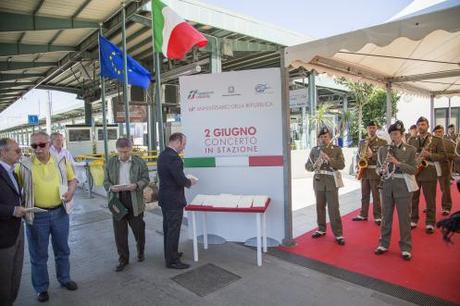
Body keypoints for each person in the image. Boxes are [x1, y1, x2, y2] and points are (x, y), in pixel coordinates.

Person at [16, 132, 78, 303]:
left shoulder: (61, 161)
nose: (38, 149)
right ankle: (41, 288)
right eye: (34, 146)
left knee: (62, 249)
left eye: (41, 145)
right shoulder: (24, 166)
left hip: (60, 213)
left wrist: (71, 191)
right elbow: (11, 186)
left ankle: (64, 279)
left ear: (49, 144)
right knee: (38, 254)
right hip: (36, 216)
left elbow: (73, 180)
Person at [103, 138, 150, 272]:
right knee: (120, 233)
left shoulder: (139, 162)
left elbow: (146, 178)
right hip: (117, 199)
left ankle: (140, 251)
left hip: (134, 198)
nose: (124, 155)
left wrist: (136, 185)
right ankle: (123, 259)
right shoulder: (110, 163)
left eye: (127, 151)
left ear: (131, 148)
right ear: (117, 150)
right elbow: (105, 181)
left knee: (139, 229)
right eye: (121, 152)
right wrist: (111, 188)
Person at [374, 121, 417, 261]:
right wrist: (381, 170)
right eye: (392, 134)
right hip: (386, 186)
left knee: (404, 218)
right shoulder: (382, 150)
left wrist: (398, 163)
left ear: (402, 134)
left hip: (403, 186)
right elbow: (377, 168)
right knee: (386, 216)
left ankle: (406, 248)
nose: (394, 137)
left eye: (396, 134)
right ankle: (383, 244)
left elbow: (413, 170)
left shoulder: (410, 149)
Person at [157, 133, 197, 269]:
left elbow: (170, 176)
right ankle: (172, 261)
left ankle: (170, 254)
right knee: (173, 229)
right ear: (178, 142)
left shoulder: (162, 155)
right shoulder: (174, 158)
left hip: (165, 198)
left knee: (168, 229)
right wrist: (189, 182)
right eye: (184, 144)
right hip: (174, 199)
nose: (184, 147)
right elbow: (179, 180)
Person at [305, 127, 346, 245]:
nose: (323, 139)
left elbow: (341, 165)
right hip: (318, 181)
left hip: (331, 181)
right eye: (321, 137)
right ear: (319, 138)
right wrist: (314, 164)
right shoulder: (314, 150)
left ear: (330, 137)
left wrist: (329, 160)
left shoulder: (336, 149)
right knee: (320, 206)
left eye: (326, 137)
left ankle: (338, 234)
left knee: (333, 208)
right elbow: (307, 166)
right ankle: (321, 229)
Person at [407, 117, 446, 234]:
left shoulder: (436, 140)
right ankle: (413, 220)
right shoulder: (412, 140)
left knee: (430, 200)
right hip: (415, 172)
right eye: (419, 125)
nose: (420, 127)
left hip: (429, 172)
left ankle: (430, 222)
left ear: (428, 126)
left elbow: (443, 156)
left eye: (423, 124)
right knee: (413, 198)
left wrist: (429, 154)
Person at [0, 138, 25, 306]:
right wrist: (13, 210)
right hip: (3, 236)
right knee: (4, 277)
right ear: (3, 153)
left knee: (15, 272)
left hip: (17, 230)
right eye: (16, 151)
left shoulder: (13, 172)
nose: (20, 153)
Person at [353, 122, 387, 225]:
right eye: (370, 128)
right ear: (367, 129)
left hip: (374, 171)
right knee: (364, 194)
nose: (371, 129)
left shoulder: (382, 142)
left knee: (376, 196)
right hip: (364, 171)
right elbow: (358, 155)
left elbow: (384, 156)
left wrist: (373, 155)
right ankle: (363, 214)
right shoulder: (362, 142)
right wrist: (358, 167)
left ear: (376, 128)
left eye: (373, 127)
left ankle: (377, 216)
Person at [433, 125, 454, 215]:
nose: (438, 133)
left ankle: (446, 207)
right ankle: (429, 206)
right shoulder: (430, 142)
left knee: (445, 189)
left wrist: (443, 155)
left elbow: (453, 155)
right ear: (434, 133)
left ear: (443, 132)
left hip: (444, 168)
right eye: (436, 132)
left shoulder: (449, 143)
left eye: (440, 131)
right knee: (429, 189)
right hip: (431, 168)